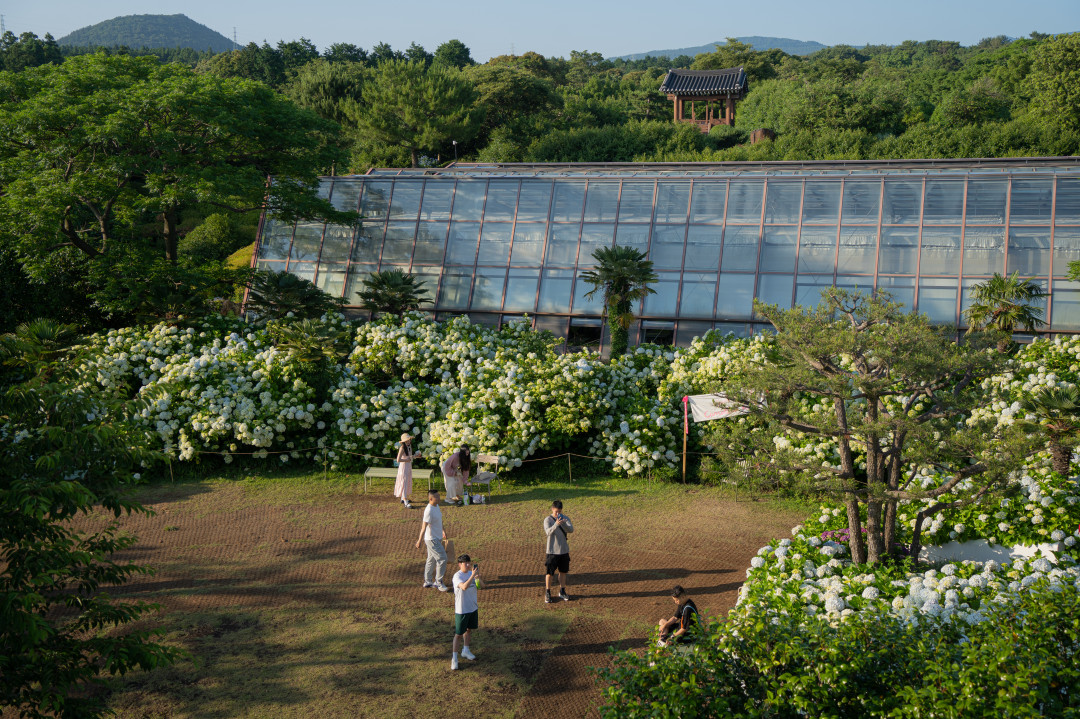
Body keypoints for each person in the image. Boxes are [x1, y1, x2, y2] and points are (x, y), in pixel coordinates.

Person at [450, 553, 481, 670]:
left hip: (472, 608)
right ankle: (454, 659)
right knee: (458, 634)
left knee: (469, 630)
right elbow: (463, 587)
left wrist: (478, 578)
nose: (468, 565)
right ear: (460, 564)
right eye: (465, 563)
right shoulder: (457, 576)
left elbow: (481, 586)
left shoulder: (471, 574)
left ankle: (466, 650)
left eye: (469, 562)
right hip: (462, 610)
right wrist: (472, 576)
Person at [415, 489, 449, 592]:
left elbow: (439, 520)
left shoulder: (436, 506)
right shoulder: (428, 510)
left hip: (437, 538)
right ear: (430, 499)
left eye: (439, 496)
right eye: (437, 497)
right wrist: (419, 541)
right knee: (443, 558)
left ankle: (428, 581)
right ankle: (438, 582)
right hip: (432, 540)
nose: (439, 498)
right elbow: (423, 527)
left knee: (431, 559)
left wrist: (443, 531)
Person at [543, 500, 573, 603]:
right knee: (550, 573)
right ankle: (548, 592)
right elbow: (548, 532)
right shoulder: (547, 520)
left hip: (564, 551)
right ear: (552, 509)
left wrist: (563, 523)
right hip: (552, 551)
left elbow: (571, 530)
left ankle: (562, 591)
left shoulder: (565, 518)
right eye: (556, 511)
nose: (558, 514)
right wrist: (556, 524)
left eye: (559, 511)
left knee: (563, 572)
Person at [394, 433, 421, 508]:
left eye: (409, 440)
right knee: (404, 482)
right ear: (403, 441)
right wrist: (406, 460)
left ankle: (403, 498)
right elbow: (398, 460)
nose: (408, 441)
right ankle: (405, 501)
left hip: (408, 466)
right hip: (403, 467)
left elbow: (409, 456)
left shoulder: (409, 447)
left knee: (407, 481)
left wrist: (415, 456)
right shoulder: (402, 448)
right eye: (407, 440)